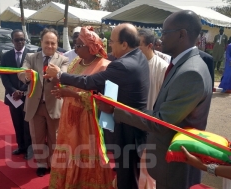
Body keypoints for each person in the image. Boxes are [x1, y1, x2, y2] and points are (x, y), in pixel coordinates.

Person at [97, 10, 213, 189]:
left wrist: (115, 110)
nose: (160, 38)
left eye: (165, 33)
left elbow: (162, 121)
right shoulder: (183, 64)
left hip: (176, 161)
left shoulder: (191, 72)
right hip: (168, 156)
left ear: (182, 34)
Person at [46, 23, 149, 189]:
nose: (110, 46)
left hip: (118, 126)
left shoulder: (116, 65)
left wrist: (60, 75)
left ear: (124, 44)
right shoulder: (139, 57)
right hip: (121, 123)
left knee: (127, 176)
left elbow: (90, 83)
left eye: (113, 42)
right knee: (127, 174)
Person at [48, 26, 113, 189]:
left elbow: (104, 100)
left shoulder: (104, 66)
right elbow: (68, 83)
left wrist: (72, 94)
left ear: (91, 47)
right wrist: (57, 85)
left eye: (78, 45)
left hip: (88, 120)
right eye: (74, 44)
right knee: (68, 151)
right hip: (69, 117)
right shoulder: (75, 62)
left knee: (86, 154)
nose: (75, 48)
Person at [18, 28, 69, 177]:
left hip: (54, 106)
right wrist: (26, 77)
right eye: (47, 42)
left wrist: (55, 75)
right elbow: (21, 71)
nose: (50, 46)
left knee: (55, 138)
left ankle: (53, 164)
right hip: (35, 106)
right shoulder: (31, 57)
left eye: (53, 43)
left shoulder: (63, 59)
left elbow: (64, 78)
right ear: (41, 42)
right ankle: (41, 163)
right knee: (37, 137)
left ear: (57, 44)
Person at [138, 29, 168, 189]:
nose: (136, 49)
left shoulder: (162, 68)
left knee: (149, 166)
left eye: (139, 45)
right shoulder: (135, 64)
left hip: (152, 124)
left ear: (150, 45)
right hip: (136, 121)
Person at [1, 29, 32, 160]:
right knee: (17, 122)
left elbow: (33, 76)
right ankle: (21, 147)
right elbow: (4, 77)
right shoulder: (6, 56)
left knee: (28, 124)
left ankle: (30, 149)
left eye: (22, 39)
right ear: (12, 40)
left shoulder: (31, 56)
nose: (20, 42)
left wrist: (23, 91)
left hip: (28, 96)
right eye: (17, 40)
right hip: (12, 97)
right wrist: (14, 91)